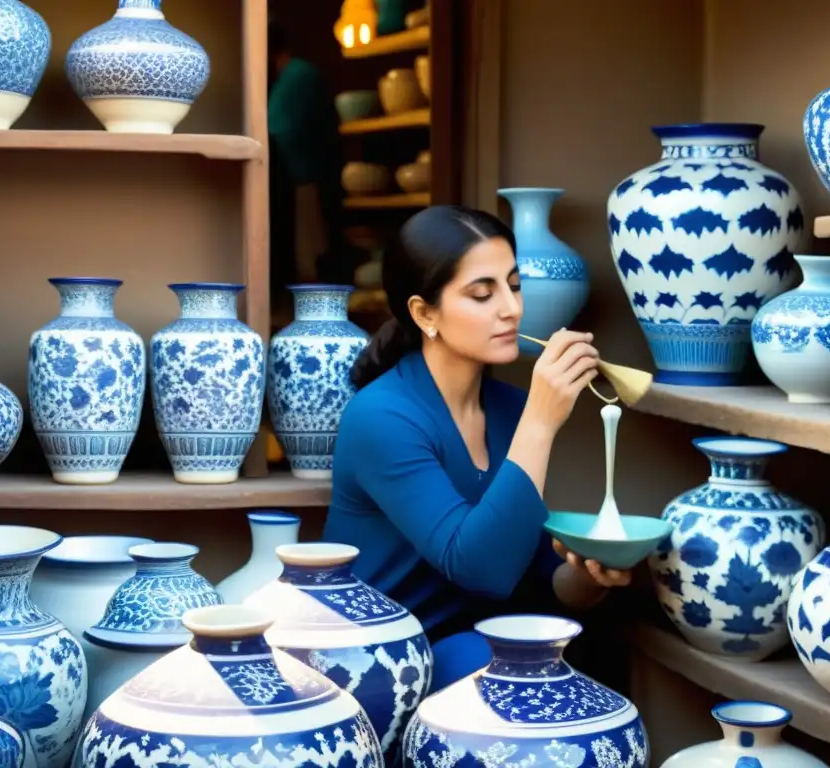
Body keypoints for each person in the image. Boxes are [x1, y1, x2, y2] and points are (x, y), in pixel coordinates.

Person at [323, 205, 632, 694]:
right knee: (491, 663)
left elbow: (527, 568)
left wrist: (590, 576)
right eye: (483, 294)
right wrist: (542, 418)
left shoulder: (506, 408)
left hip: (479, 644)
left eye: (514, 285)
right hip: (382, 660)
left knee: (599, 641)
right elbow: (479, 568)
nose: (510, 308)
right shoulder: (381, 417)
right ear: (425, 313)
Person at [267, 20, 353, 288]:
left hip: (305, 179)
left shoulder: (298, 76)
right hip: (294, 179)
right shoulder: (290, 78)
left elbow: (285, 132)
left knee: (310, 256)